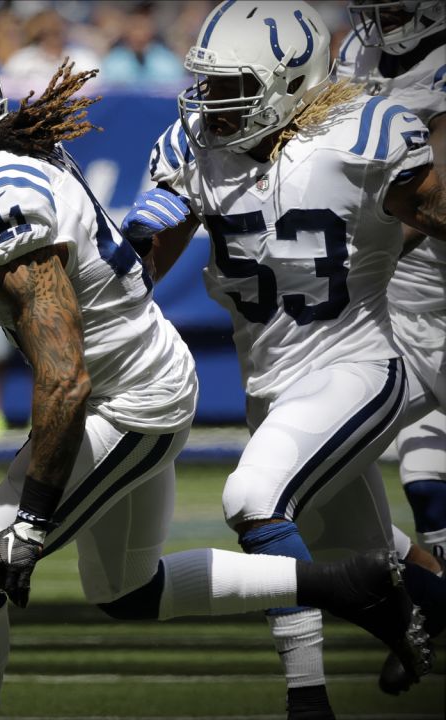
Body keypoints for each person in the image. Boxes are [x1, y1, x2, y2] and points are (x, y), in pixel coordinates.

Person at [0, 32, 428, 720]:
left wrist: (32, 520)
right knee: (127, 591)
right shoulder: (3, 163)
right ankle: (341, 584)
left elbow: (64, 375)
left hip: (127, 403)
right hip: (141, 377)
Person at [121, 2, 444, 715]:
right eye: (207, 85)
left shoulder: (365, 133)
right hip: (270, 380)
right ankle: (418, 616)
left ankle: (308, 701)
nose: (213, 104)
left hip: (356, 364)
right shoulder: (193, 146)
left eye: (233, 85)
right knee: (364, 558)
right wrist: (130, 245)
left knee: (254, 497)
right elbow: (135, 275)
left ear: (290, 81)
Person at [336, 0, 446, 695]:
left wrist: (359, 247)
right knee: (345, 451)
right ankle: (432, 602)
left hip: (427, 266)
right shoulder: (354, 56)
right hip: (404, 297)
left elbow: (434, 203)